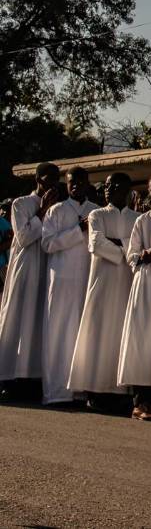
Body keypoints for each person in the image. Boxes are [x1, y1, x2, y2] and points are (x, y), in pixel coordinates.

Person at [67, 172, 138, 409]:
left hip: (127, 283)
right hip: (101, 281)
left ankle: (121, 390)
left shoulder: (138, 218)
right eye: (106, 185)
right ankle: (95, 390)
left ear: (127, 190)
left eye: (114, 185)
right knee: (97, 330)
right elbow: (95, 243)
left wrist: (120, 243)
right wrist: (124, 246)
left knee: (121, 331)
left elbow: (138, 247)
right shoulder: (96, 214)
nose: (108, 189)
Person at [40, 166, 99, 405]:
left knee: (83, 334)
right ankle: (57, 391)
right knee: (59, 334)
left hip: (88, 279)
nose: (76, 186)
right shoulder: (56, 210)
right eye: (71, 182)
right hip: (62, 281)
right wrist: (77, 230)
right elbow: (47, 244)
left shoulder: (96, 211)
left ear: (87, 183)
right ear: (66, 184)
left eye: (80, 181)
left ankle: (81, 389)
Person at [0, 163, 59, 397]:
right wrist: (42, 210)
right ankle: (10, 376)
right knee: (19, 317)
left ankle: (34, 377)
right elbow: (23, 237)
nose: (50, 184)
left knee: (39, 322)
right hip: (25, 267)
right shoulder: (21, 203)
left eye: (55, 180)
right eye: (46, 179)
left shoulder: (59, 207)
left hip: (46, 266)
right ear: (37, 179)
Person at [117, 174, 151, 420]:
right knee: (142, 339)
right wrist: (147, 256)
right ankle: (141, 400)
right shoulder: (142, 220)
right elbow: (132, 255)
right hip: (145, 282)